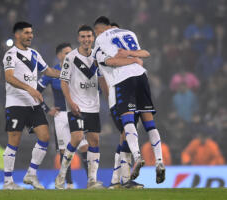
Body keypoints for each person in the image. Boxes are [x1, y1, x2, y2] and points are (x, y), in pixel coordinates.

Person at [93, 16, 165, 184]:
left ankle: (127, 170)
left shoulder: (100, 44)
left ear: (99, 30)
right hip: (141, 75)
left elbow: (112, 62)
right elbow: (145, 54)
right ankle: (158, 162)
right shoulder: (128, 34)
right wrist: (133, 58)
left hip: (121, 86)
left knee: (126, 130)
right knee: (148, 124)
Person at [2, 21, 60, 190]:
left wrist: (65, 74)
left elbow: (48, 71)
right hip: (16, 103)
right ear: (17, 35)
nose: (30, 36)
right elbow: (9, 77)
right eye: (26, 33)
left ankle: (31, 174)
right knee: (14, 140)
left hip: (33, 104)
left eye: (31, 32)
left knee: (45, 137)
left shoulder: (34, 53)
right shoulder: (10, 54)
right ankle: (8, 182)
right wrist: (30, 89)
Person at [55, 25, 108, 189]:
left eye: (89, 36)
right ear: (79, 39)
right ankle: (62, 174)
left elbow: (102, 80)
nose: (86, 39)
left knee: (94, 141)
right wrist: (70, 102)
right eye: (83, 37)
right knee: (77, 138)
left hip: (93, 107)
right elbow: (63, 81)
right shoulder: (70, 58)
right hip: (76, 106)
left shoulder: (98, 57)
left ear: (93, 38)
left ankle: (92, 180)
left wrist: (109, 98)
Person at [37, 43, 89, 189]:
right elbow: (35, 92)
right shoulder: (52, 72)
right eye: (66, 53)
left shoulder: (78, 70)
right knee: (63, 151)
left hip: (76, 113)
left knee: (84, 147)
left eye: (71, 52)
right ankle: (69, 184)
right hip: (60, 116)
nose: (69, 55)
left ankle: (91, 181)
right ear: (59, 55)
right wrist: (47, 109)